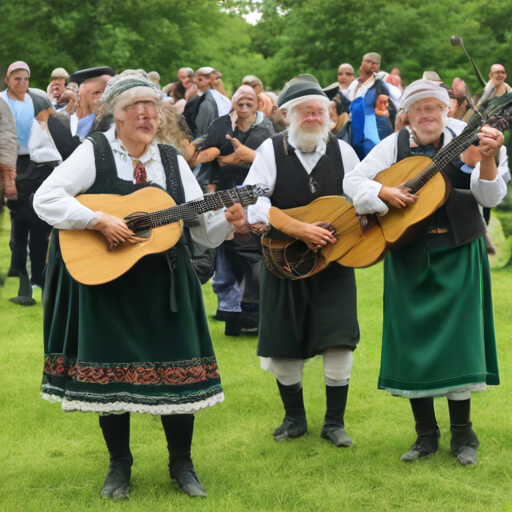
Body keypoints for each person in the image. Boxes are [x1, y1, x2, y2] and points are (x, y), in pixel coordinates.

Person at [33, 70, 246, 500]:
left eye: (151, 106)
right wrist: (98, 218)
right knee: (111, 378)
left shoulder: (170, 160)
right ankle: (119, 465)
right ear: (115, 113)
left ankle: (182, 464)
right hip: (109, 282)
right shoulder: (95, 152)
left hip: (165, 281)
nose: (146, 114)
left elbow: (201, 228)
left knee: (178, 371)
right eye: (134, 106)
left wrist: (230, 219)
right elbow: (46, 198)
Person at [343, 80, 507, 465]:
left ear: (447, 110)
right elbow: (353, 181)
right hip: (409, 254)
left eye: (435, 107)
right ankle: (425, 436)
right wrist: (383, 194)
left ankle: (464, 436)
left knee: (460, 344)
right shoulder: (393, 146)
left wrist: (488, 159)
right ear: (408, 116)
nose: (428, 114)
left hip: (459, 249)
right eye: (419, 109)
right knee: (414, 344)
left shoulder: (470, 138)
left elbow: (491, 197)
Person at [244, 76, 360, 447]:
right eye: (306, 110)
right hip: (283, 261)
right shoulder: (269, 150)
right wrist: (298, 227)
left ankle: (334, 423)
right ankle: (294, 419)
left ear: (329, 115)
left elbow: (363, 196)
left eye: (320, 111)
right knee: (283, 341)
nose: (314, 116)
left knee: (339, 339)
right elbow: (254, 201)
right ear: (289, 115)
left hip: (335, 261)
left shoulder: (344, 153)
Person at [201, 85, 275, 335]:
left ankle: (254, 315)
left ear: (257, 103)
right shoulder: (220, 125)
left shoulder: (266, 128)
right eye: (240, 100)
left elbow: (274, 164)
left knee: (252, 254)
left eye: (250, 101)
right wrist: (212, 185)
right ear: (232, 102)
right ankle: (231, 313)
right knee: (225, 254)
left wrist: (247, 156)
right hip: (224, 197)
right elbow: (208, 158)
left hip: (255, 200)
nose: (244, 105)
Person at [1, 61, 55, 305]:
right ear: (7, 79)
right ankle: (24, 285)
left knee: (40, 226)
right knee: (19, 227)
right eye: (17, 79)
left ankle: (40, 284)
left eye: (25, 79)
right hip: (11, 166)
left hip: (38, 167)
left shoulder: (38, 100)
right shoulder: (2, 101)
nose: (22, 83)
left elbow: (53, 126)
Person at [46, 66, 115, 161]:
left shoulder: (109, 123)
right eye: (96, 93)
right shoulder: (59, 120)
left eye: (106, 92)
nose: (102, 98)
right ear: (79, 95)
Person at [346, 52, 401, 159]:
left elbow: (396, 96)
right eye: (368, 62)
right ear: (362, 63)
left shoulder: (379, 85)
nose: (372, 65)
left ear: (378, 66)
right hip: (353, 127)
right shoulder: (353, 85)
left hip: (373, 128)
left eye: (375, 63)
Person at [184, 67, 231, 138]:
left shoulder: (205, 101)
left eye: (200, 79)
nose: (195, 81)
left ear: (210, 80)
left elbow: (201, 129)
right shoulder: (226, 100)